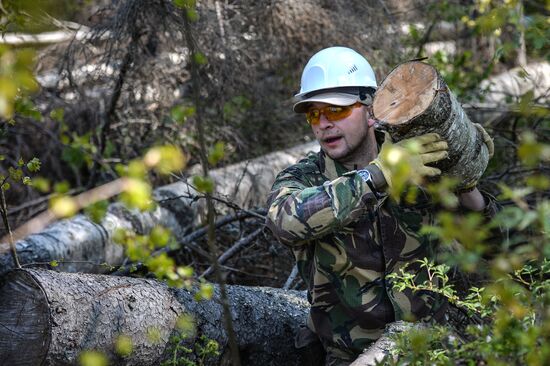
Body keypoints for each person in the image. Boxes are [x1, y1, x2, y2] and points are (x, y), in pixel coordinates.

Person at [265, 46, 499, 365]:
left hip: (441, 348)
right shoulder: (305, 177)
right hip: (350, 357)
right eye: (313, 113)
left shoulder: (421, 162)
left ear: (370, 110)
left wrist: (467, 184)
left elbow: (496, 248)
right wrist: (380, 175)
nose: (323, 123)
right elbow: (283, 221)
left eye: (336, 111)